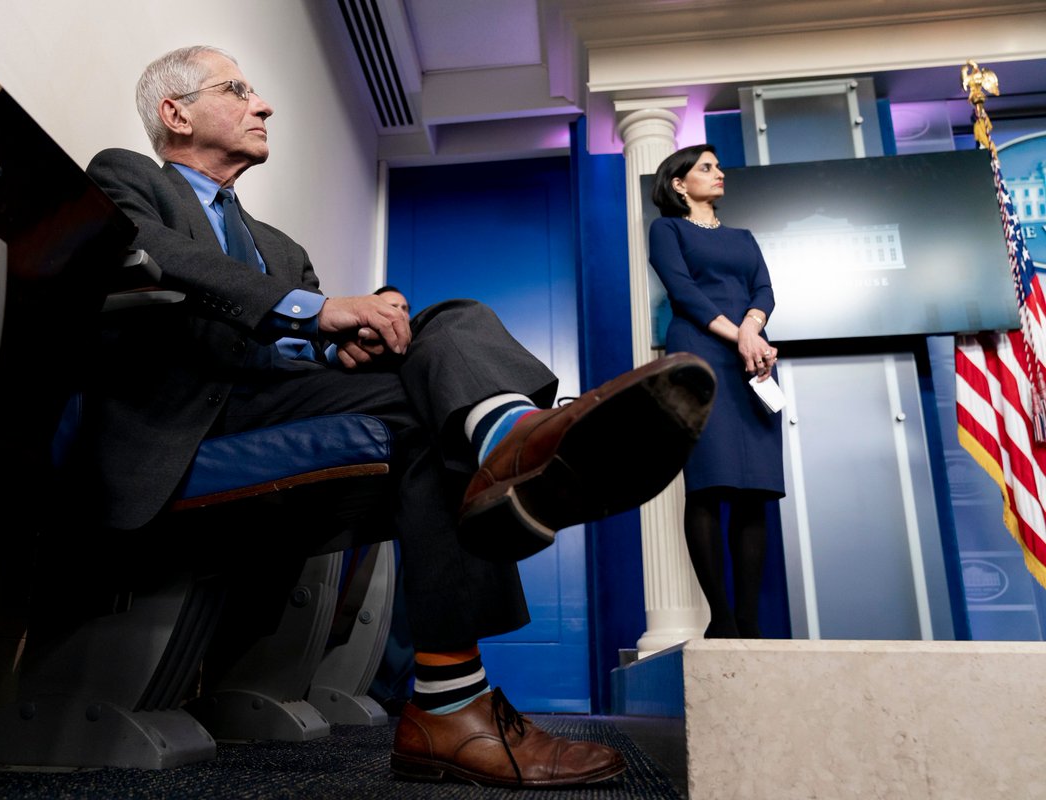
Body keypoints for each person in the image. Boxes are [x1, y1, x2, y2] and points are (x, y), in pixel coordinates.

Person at [83, 45, 715, 788]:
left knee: (450, 327)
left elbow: (305, 351)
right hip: (184, 419)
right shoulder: (128, 177)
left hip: (274, 403)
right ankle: (506, 463)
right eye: (239, 90)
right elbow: (149, 251)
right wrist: (320, 312)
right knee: (436, 406)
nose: (264, 105)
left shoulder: (279, 248)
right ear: (175, 113)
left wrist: (344, 346)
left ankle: (503, 441)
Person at [647, 144, 786, 639]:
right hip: (700, 361)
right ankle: (720, 621)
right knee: (708, 484)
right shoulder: (667, 229)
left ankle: (748, 623)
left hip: (752, 364)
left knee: (755, 491)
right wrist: (742, 334)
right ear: (680, 183)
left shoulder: (743, 237)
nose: (718, 173)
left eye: (718, 166)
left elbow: (764, 289)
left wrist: (753, 325)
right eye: (706, 167)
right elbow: (683, 292)